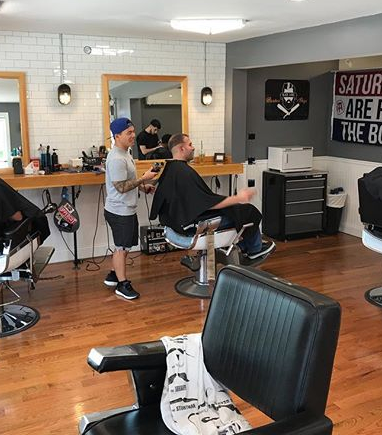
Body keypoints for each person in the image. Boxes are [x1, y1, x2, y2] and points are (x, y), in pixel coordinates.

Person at [150, 133, 275, 259]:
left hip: (177, 224)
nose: (193, 148)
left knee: (236, 209)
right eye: (190, 145)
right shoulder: (184, 172)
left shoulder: (171, 168)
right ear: (182, 148)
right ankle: (254, 250)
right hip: (192, 225)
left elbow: (199, 200)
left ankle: (244, 246)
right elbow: (208, 203)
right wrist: (239, 198)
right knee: (248, 211)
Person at [103, 118, 158, 300]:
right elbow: (121, 187)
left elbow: (128, 182)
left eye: (133, 131)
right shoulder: (117, 159)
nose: (133, 135)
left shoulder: (125, 153)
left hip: (126, 209)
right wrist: (144, 178)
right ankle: (122, 284)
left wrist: (143, 187)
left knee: (125, 246)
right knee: (121, 247)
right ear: (117, 136)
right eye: (129, 133)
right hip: (119, 211)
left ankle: (113, 274)